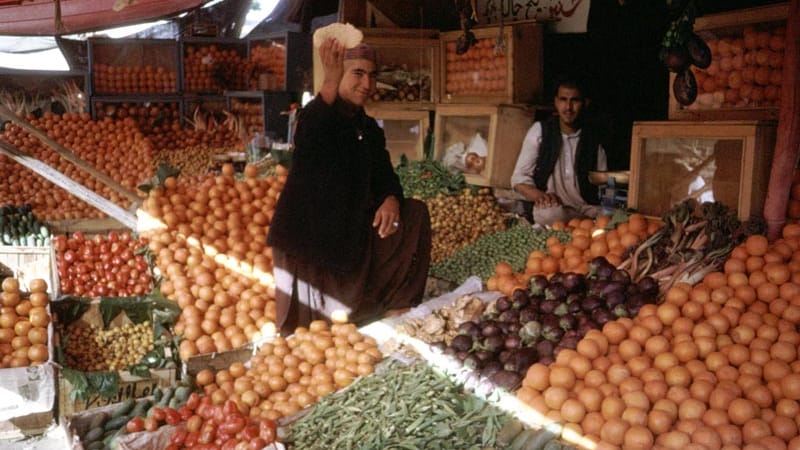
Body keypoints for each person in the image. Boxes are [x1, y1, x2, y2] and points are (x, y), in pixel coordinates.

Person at [266, 37, 432, 335]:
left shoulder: (367, 127)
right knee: (314, 333)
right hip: (312, 240)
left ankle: (395, 303)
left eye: (372, 75)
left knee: (415, 212)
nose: (367, 83)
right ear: (339, 75)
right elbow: (312, 130)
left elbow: (385, 175)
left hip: (349, 234)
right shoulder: (316, 118)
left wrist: (390, 197)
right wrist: (328, 79)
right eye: (357, 73)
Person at [510, 77, 608, 226]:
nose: (568, 107)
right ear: (556, 102)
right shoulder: (541, 131)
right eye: (563, 99)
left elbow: (603, 184)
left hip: (586, 210)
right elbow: (518, 179)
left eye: (575, 100)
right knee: (549, 215)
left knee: (612, 218)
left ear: (585, 103)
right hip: (556, 210)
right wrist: (540, 196)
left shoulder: (593, 140)